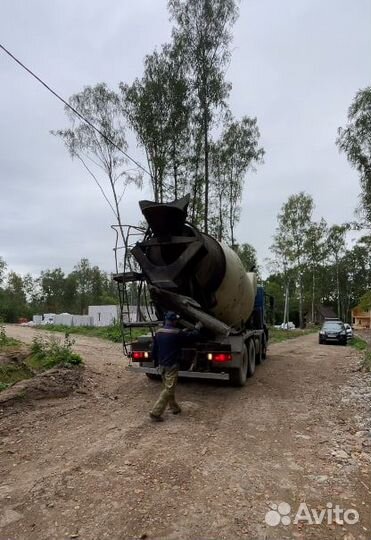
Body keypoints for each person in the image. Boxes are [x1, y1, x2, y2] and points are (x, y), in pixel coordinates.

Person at [149, 311, 201, 422]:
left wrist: (156, 362)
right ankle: (155, 412)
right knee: (169, 389)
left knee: (168, 387)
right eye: (176, 320)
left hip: (162, 364)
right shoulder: (177, 333)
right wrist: (197, 328)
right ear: (174, 321)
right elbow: (192, 337)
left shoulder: (158, 332)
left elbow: (154, 349)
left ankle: (174, 408)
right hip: (172, 365)